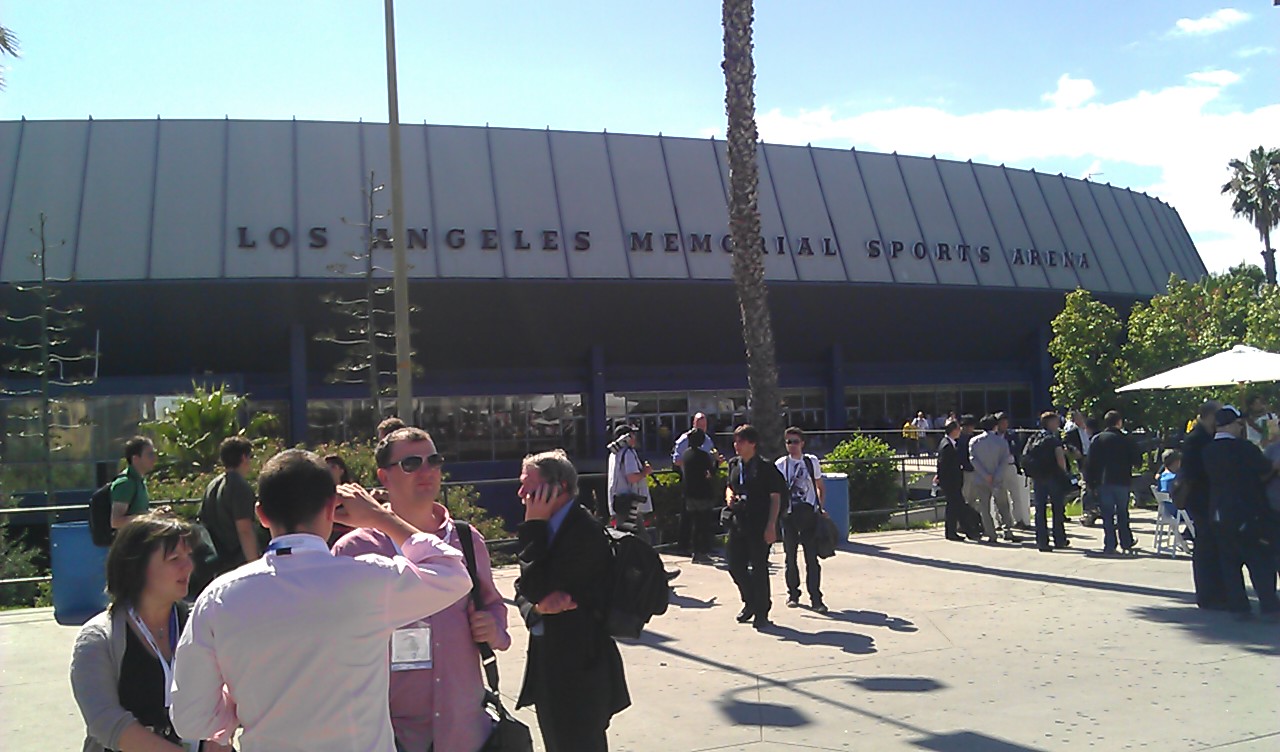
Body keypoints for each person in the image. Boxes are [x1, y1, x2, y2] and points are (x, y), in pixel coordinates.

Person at [169, 449, 472, 751]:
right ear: (331, 508)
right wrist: (381, 517)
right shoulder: (370, 580)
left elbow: (191, 719)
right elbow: (453, 574)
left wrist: (244, 701)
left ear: (261, 514)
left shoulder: (218, 598)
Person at [333, 427, 510, 752]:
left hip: (465, 730)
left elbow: (494, 605)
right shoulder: (353, 549)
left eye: (434, 460)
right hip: (390, 733)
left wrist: (494, 628)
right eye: (411, 463)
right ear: (384, 476)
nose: (427, 470)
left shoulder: (466, 539)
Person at [71, 514, 228, 751]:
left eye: (188, 556)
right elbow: (106, 722)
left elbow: (226, 693)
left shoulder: (201, 624)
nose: (189, 566)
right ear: (137, 566)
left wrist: (220, 740)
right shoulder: (99, 639)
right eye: (174, 558)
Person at [513, 449, 630, 752]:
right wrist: (536, 608)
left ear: (560, 487)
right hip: (549, 664)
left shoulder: (583, 531)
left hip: (579, 671)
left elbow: (534, 586)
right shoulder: (550, 527)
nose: (521, 494)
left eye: (529, 486)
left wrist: (532, 527)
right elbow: (523, 590)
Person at [1201, 406, 1279, 619]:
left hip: (1219, 511)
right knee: (1259, 561)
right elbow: (1264, 469)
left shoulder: (1208, 451)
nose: (1240, 427)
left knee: (1229, 563)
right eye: (1238, 424)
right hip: (1247, 511)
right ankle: (1269, 605)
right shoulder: (1244, 448)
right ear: (1230, 424)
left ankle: (1239, 606)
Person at [724, 424, 785, 629]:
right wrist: (729, 497)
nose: (736, 445)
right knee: (734, 565)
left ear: (752, 443)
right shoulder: (734, 464)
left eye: (741, 441)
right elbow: (730, 485)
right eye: (735, 441)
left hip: (760, 524)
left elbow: (776, 498)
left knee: (759, 568)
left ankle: (761, 611)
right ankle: (749, 600)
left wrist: (772, 525)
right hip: (739, 522)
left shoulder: (766, 468)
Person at [1181, 400, 1228, 609]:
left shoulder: (1208, 436)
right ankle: (1208, 594)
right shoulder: (1196, 439)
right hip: (1201, 498)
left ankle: (1217, 591)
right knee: (1205, 546)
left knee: (1214, 546)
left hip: (1210, 497)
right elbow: (1192, 472)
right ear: (1210, 416)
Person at [776, 427, 827, 613]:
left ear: (802, 443)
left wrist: (819, 507)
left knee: (811, 558)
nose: (792, 445)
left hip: (809, 514)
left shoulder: (811, 461)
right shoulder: (781, 464)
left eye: (795, 442)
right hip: (789, 515)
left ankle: (816, 598)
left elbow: (820, 485)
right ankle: (793, 594)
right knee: (790, 557)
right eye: (788, 442)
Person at [198, 436, 261, 578]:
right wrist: (255, 566)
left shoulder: (212, 485)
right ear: (244, 457)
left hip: (219, 561)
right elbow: (244, 529)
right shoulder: (239, 486)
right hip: (238, 561)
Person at [1086, 410, 1141, 555]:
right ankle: (1126, 541)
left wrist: (1091, 483)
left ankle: (1110, 544)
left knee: (1107, 514)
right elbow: (1137, 459)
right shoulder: (1126, 439)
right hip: (1122, 480)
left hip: (1103, 481)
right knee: (1122, 512)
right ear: (1119, 422)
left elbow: (1090, 463)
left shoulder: (1097, 439)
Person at [672, 413, 719, 552]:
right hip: (692, 483)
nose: (702, 428)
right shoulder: (684, 441)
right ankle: (691, 548)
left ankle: (699, 548)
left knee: (699, 521)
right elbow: (676, 460)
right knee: (695, 520)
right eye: (699, 425)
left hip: (697, 484)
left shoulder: (707, 441)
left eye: (704, 425)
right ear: (693, 424)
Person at [967, 415, 1017, 543]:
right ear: (995, 426)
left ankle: (991, 534)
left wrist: (985, 475)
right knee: (1003, 506)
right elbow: (1005, 460)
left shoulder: (974, 441)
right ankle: (1008, 531)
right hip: (998, 478)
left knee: (984, 508)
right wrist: (996, 475)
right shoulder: (1001, 442)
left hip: (981, 478)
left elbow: (973, 460)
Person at [1027, 411, 1071, 553]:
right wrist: (1064, 473)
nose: (1058, 424)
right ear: (1050, 423)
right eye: (1056, 421)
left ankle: (1042, 541)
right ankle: (1059, 539)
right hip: (1053, 477)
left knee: (1040, 510)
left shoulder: (1034, 437)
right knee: (1057, 508)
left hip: (1038, 477)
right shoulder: (1053, 439)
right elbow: (1060, 459)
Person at [680, 428, 718, 564]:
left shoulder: (686, 454)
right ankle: (702, 551)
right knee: (703, 524)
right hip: (702, 493)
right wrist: (716, 461)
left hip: (689, 493)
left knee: (694, 523)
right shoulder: (703, 456)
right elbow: (711, 473)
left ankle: (695, 551)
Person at [938, 419, 979, 542]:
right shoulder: (947, 446)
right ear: (954, 430)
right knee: (958, 506)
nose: (960, 431)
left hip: (952, 482)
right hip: (951, 482)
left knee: (954, 507)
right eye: (958, 429)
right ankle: (967, 531)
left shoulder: (948, 443)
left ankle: (955, 531)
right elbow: (943, 465)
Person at [607, 424, 652, 532]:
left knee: (626, 534)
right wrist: (645, 472)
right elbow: (632, 477)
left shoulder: (613, 454)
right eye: (632, 435)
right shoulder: (628, 453)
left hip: (618, 500)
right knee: (635, 536)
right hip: (630, 502)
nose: (635, 438)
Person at [110, 436, 158, 530]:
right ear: (135, 459)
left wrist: (155, 513)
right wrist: (151, 517)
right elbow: (116, 522)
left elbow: (137, 513)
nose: (154, 458)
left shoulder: (139, 480)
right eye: (150, 455)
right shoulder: (125, 483)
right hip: (129, 539)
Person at [995, 413, 1031, 529]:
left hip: (1011, 466)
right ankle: (1000, 521)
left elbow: (1017, 449)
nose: (1004, 425)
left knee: (1016, 495)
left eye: (1006, 422)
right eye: (1002, 423)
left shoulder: (1012, 435)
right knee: (999, 496)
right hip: (998, 468)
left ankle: (1019, 519)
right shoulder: (993, 437)